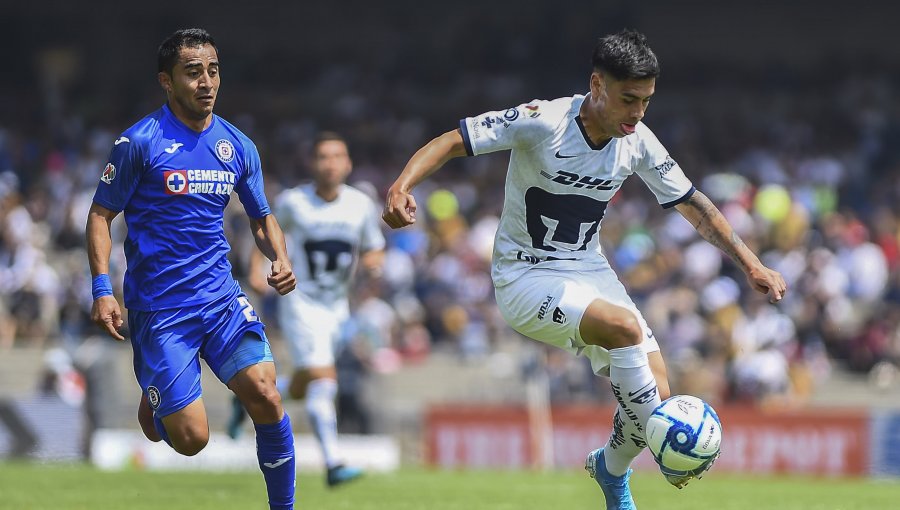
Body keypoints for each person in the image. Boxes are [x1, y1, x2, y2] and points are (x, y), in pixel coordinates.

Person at [382, 29, 787, 509]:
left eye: (647, 102)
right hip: (524, 274)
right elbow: (454, 140)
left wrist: (751, 263)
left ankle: (610, 470)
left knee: (655, 389)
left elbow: (693, 205)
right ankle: (663, 452)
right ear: (597, 85)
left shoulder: (638, 142)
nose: (637, 114)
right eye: (628, 99)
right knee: (625, 331)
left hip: (587, 268)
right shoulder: (542, 120)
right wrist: (400, 186)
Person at [86, 28, 298, 510]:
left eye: (213, 70)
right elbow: (100, 216)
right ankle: (158, 396)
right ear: (167, 81)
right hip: (161, 310)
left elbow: (262, 217)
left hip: (220, 299)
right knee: (190, 440)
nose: (207, 81)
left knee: (266, 393)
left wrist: (278, 257)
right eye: (193, 72)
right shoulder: (139, 142)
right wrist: (102, 288)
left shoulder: (237, 145)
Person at [227, 132, 385, 488]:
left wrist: (374, 265)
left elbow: (375, 247)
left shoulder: (360, 204)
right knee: (324, 381)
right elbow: (265, 230)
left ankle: (249, 395)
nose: (330, 164)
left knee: (306, 383)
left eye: (337, 157)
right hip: (300, 301)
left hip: (337, 306)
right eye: (323, 157)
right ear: (312, 164)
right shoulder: (294, 202)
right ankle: (333, 464)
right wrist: (256, 263)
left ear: (348, 164)